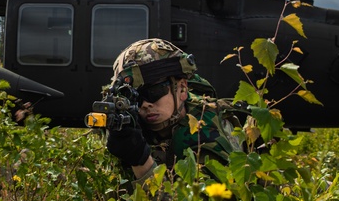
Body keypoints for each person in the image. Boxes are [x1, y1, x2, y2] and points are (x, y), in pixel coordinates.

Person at [102, 38, 243, 182]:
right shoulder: (132, 127)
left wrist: (141, 161)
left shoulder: (207, 130)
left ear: (182, 89)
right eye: (135, 97)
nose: (144, 104)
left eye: (153, 92)